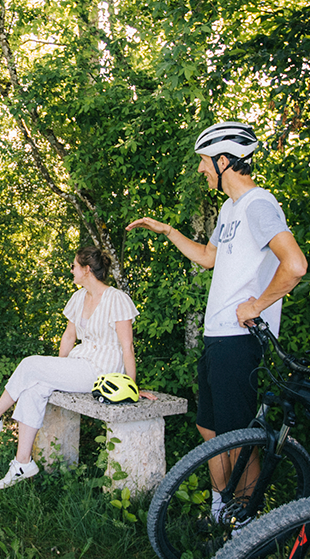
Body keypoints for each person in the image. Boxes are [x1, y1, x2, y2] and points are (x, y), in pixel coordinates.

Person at [126, 121, 307, 518]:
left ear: (224, 161)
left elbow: (295, 265)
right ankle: (220, 508)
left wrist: (257, 305)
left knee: (238, 437)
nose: (201, 169)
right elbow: (209, 258)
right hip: (218, 336)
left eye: (204, 161)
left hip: (240, 339)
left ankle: (245, 522)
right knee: (210, 429)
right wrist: (168, 230)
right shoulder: (230, 208)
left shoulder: (259, 203)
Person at [0, 246, 155, 489]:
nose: (71, 270)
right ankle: (22, 462)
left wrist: (131, 387)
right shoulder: (79, 297)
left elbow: (128, 348)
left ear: (87, 270)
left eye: (74, 266)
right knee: (35, 386)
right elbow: (68, 338)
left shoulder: (117, 299)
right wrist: (57, 371)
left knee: (29, 364)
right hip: (78, 364)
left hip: (101, 370)